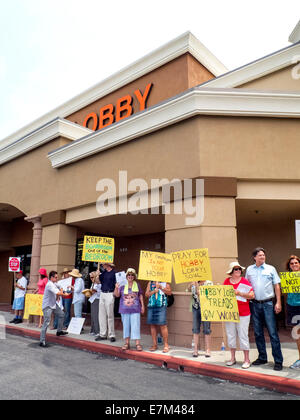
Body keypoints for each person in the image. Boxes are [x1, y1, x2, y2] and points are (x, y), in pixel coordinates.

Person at [245, 247, 284, 371]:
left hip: (268, 304)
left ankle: (278, 360)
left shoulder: (271, 269)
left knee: (272, 333)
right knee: (257, 332)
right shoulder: (249, 270)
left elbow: (276, 286)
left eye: (263, 255)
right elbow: (246, 286)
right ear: (254, 257)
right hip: (254, 304)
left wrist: (278, 302)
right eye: (260, 255)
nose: (262, 257)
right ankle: (262, 357)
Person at [223, 262, 254, 369]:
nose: (238, 271)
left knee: (243, 335)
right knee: (231, 335)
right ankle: (232, 358)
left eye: (239, 269)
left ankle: (246, 359)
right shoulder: (226, 282)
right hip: (230, 313)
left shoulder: (245, 281)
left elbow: (251, 295)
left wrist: (240, 293)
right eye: (236, 269)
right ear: (231, 272)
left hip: (243, 312)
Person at [114, 268, 145, 351]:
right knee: (126, 326)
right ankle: (127, 343)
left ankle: (137, 343)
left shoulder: (137, 285)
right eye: (129, 275)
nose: (130, 276)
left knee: (136, 326)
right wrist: (116, 287)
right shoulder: (122, 284)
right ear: (126, 276)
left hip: (136, 309)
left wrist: (143, 306)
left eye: (132, 275)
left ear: (134, 276)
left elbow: (140, 295)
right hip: (124, 309)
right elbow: (116, 295)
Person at [39, 271, 69, 347]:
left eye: (57, 277)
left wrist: (61, 291)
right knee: (46, 323)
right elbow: (58, 293)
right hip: (47, 306)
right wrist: (63, 294)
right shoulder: (49, 284)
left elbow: (60, 287)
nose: (57, 278)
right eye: (55, 277)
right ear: (51, 277)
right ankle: (42, 341)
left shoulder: (54, 283)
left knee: (62, 314)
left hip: (53, 305)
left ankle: (59, 331)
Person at [145, 280, 172, 353]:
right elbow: (146, 294)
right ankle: (154, 344)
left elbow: (169, 292)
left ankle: (166, 345)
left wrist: (160, 287)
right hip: (151, 305)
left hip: (161, 306)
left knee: (163, 325)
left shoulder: (165, 282)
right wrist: (153, 291)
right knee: (152, 325)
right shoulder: (150, 283)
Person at [190, 280, 212, 358]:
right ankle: (195, 350)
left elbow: (207, 294)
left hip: (206, 307)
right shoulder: (194, 282)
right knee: (195, 328)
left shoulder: (209, 283)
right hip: (196, 307)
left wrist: (198, 288)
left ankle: (208, 349)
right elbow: (191, 293)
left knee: (207, 329)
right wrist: (192, 285)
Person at [285, 255, 300, 369]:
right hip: (292, 307)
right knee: (297, 335)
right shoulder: (287, 277)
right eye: (292, 263)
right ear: (289, 266)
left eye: (296, 262)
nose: (294, 265)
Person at [96, 263, 117, 342]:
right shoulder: (104, 273)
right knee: (101, 315)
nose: (102, 265)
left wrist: (114, 293)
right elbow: (98, 282)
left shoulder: (114, 273)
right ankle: (103, 334)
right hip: (102, 293)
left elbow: (116, 284)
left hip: (110, 293)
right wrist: (97, 275)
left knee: (110, 315)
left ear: (107, 265)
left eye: (103, 264)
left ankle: (111, 334)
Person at [89, 271, 101, 336]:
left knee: (96, 316)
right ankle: (93, 330)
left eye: (92, 277)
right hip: (92, 300)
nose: (91, 279)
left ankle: (97, 331)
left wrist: (92, 291)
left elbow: (98, 292)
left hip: (97, 300)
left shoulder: (99, 284)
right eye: (90, 277)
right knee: (93, 316)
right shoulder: (93, 283)